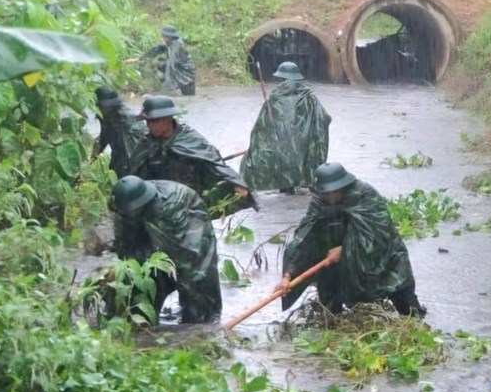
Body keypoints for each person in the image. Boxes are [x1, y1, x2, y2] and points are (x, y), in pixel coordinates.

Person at [274, 162, 425, 317]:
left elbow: (378, 234)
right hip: (338, 262)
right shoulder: (320, 200)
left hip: (384, 256)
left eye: (332, 192)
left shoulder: (365, 195)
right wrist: (288, 275)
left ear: (342, 187)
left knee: (406, 303)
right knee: (330, 305)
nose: (328, 196)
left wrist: (344, 249)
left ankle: (415, 323)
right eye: (325, 192)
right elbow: (303, 236)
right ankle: (333, 327)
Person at [111, 176, 222, 324]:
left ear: (142, 204)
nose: (125, 214)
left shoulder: (172, 207)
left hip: (189, 227)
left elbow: (183, 254)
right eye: (124, 212)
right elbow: (126, 245)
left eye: (130, 212)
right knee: (136, 278)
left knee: (195, 282)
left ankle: (200, 327)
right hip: (153, 226)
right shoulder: (123, 205)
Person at [128, 95, 255, 216]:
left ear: (168, 119)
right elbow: (133, 173)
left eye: (155, 121)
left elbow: (215, 163)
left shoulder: (191, 139)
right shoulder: (146, 143)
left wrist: (237, 185)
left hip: (189, 202)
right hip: (157, 203)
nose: (150, 126)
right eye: (148, 121)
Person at [240, 61, 332, 193]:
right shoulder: (309, 96)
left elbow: (261, 126)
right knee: (300, 159)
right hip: (302, 144)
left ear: (281, 78)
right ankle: (303, 183)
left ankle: (286, 189)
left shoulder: (274, 97)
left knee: (283, 164)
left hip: (281, 145)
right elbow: (325, 117)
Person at [92, 86, 146, 178]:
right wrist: (93, 160)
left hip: (132, 156)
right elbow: (104, 137)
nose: (101, 109)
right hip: (118, 153)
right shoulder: (106, 115)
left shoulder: (126, 119)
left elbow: (133, 151)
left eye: (103, 106)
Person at [143, 25, 197, 96]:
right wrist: (140, 58)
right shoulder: (168, 44)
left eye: (164, 36)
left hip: (186, 76)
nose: (163, 38)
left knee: (189, 97)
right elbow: (157, 49)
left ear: (169, 37)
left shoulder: (179, 45)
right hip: (177, 74)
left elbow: (174, 62)